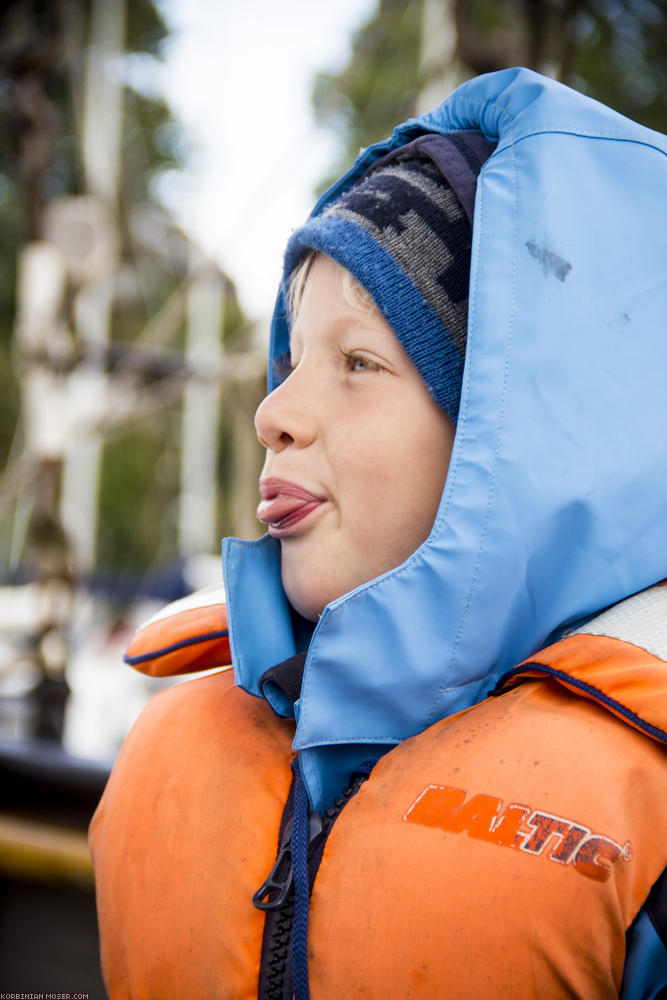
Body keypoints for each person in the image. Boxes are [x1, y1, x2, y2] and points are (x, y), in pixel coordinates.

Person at [90, 67, 667, 998]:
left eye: (358, 361)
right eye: (291, 358)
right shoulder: (167, 741)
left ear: (507, 436)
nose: (273, 412)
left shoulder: (652, 834)